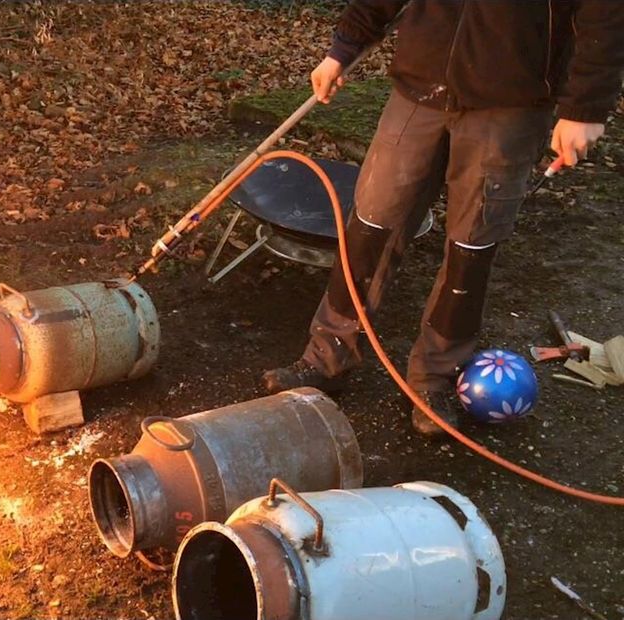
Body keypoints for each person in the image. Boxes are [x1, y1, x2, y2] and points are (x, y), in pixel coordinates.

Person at [260, 0, 624, 436]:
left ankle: (435, 378)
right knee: (372, 225)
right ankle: (328, 354)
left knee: (471, 245)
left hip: (513, 99)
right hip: (420, 85)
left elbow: (606, 13)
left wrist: (584, 108)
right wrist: (343, 46)